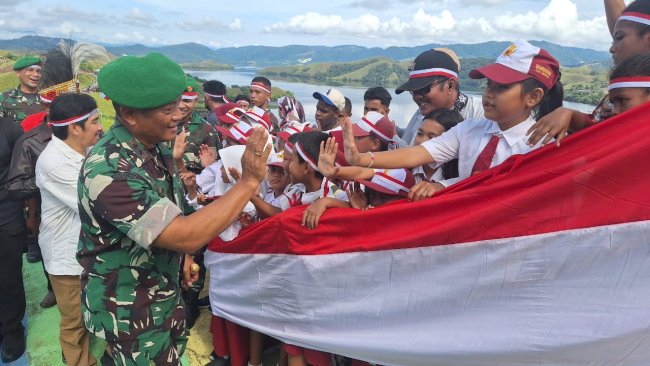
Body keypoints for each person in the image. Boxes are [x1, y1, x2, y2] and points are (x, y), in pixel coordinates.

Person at [76, 52, 271, 365]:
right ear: (129, 114)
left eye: (179, 105)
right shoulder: (110, 169)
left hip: (161, 292)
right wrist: (247, 183)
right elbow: (184, 234)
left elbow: (172, 207)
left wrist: (182, 258)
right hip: (130, 307)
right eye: (167, 109)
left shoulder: (155, 146)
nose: (179, 115)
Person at [342, 40, 563, 201]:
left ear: (533, 97)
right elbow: (417, 153)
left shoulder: (546, 144)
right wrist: (362, 159)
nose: (489, 94)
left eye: (501, 87)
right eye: (489, 85)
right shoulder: (469, 129)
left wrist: (575, 117)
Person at [35, 93, 102, 366]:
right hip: (67, 257)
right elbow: (95, 205)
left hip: (86, 250)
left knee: (92, 308)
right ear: (75, 128)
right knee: (74, 321)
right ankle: (78, 361)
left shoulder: (82, 150)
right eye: (96, 121)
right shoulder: (55, 163)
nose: (100, 127)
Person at [527, 0, 650, 145]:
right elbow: (599, 131)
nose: (611, 49)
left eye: (619, 37)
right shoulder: (625, 93)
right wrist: (571, 115)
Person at [395, 48, 483, 146]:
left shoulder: (480, 116)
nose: (417, 97)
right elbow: (407, 149)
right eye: (414, 91)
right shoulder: (421, 114)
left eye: (424, 89)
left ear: (450, 85)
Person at [0, 116, 27, 363]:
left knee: (8, 279)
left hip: (5, 216)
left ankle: (12, 330)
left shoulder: (9, 129)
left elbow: (22, 171)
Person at [177, 76, 221, 174]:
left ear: (196, 101)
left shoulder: (207, 130)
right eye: (177, 100)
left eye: (186, 101)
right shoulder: (161, 125)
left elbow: (213, 169)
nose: (180, 105)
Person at [412, 108, 464, 184]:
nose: (421, 142)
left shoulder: (460, 180)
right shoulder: (400, 171)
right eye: (420, 133)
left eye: (432, 137)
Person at [0, 56, 43, 124]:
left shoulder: (48, 97)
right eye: (30, 70)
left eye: (38, 71)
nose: (36, 74)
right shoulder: (3, 98)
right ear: (18, 73)